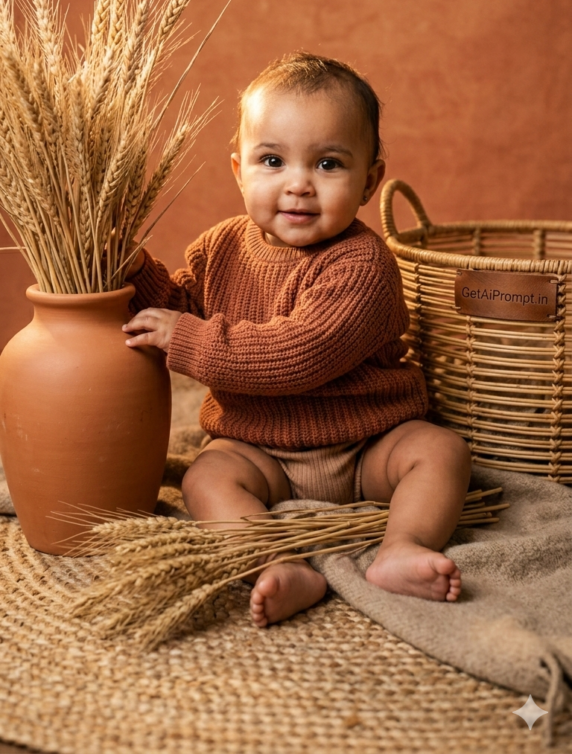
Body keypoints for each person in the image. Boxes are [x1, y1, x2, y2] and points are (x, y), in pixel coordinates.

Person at [123, 51, 472, 627]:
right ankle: (278, 563)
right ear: (239, 170)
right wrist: (138, 273)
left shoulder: (363, 264)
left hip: (365, 446)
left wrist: (187, 339)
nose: (298, 185)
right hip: (259, 448)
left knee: (441, 451)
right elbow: (183, 310)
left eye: (329, 164)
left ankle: (402, 546)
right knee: (205, 478)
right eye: (272, 160)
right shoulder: (221, 247)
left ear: (369, 181)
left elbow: (299, 353)